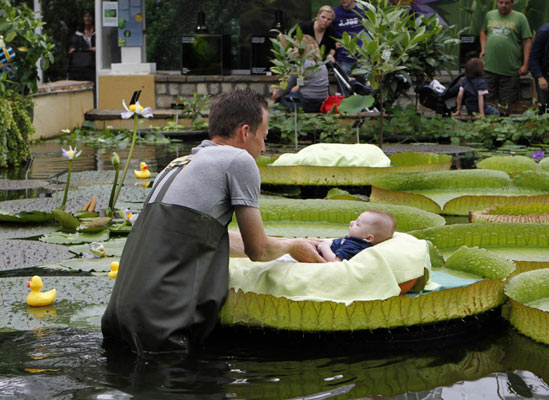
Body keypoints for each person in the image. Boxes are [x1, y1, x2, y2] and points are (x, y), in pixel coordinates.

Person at [101, 89, 325, 353]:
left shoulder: (178, 163)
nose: (264, 148)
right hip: (159, 328)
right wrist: (291, 247)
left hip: (117, 320)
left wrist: (290, 242)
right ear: (245, 132)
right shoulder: (239, 160)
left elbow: (205, 237)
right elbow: (258, 250)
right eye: (263, 137)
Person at [479, 0, 532, 114]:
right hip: (489, 68)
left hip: (510, 70)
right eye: (500, 2)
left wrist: (526, 64)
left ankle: (505, 129)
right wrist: (483, 49)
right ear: (497, 2)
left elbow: (527, 41)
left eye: (507, 3)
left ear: (512, 3)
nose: (503, 5)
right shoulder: (490, 15)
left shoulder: (520, 18)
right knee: (488, 104)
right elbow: (483, 32)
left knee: (507, 106)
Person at [272, 35, 329, 113]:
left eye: (296, 47)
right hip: (322, 103)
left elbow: (287, 85)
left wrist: (276, 94)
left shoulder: (301, 64)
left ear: (304, 49)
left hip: (307, 103)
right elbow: (308, 83)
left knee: (279, 101)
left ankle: (278, 122)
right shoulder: (322, 64)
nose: (294, 49)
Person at [318, 210, 396, 262]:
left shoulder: (353, 247)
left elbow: (336, 262)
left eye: (357, 224)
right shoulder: (355, 241)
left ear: (368, 238)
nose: (351, 222)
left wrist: (324, 247)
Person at [332, 0, 366, 75]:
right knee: (346, 85)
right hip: (344, 59)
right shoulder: (335, 13)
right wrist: (333, 44)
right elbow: (326, 31)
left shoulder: (364, 10)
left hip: (364, 59)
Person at [68, 10, 95, 82]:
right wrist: (72, 49)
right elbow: (73, 44)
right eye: (85, 16)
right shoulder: (79, 32)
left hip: (94, 64)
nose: (87, 18)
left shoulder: (97, 30)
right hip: (82, 64)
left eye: (89, 16)